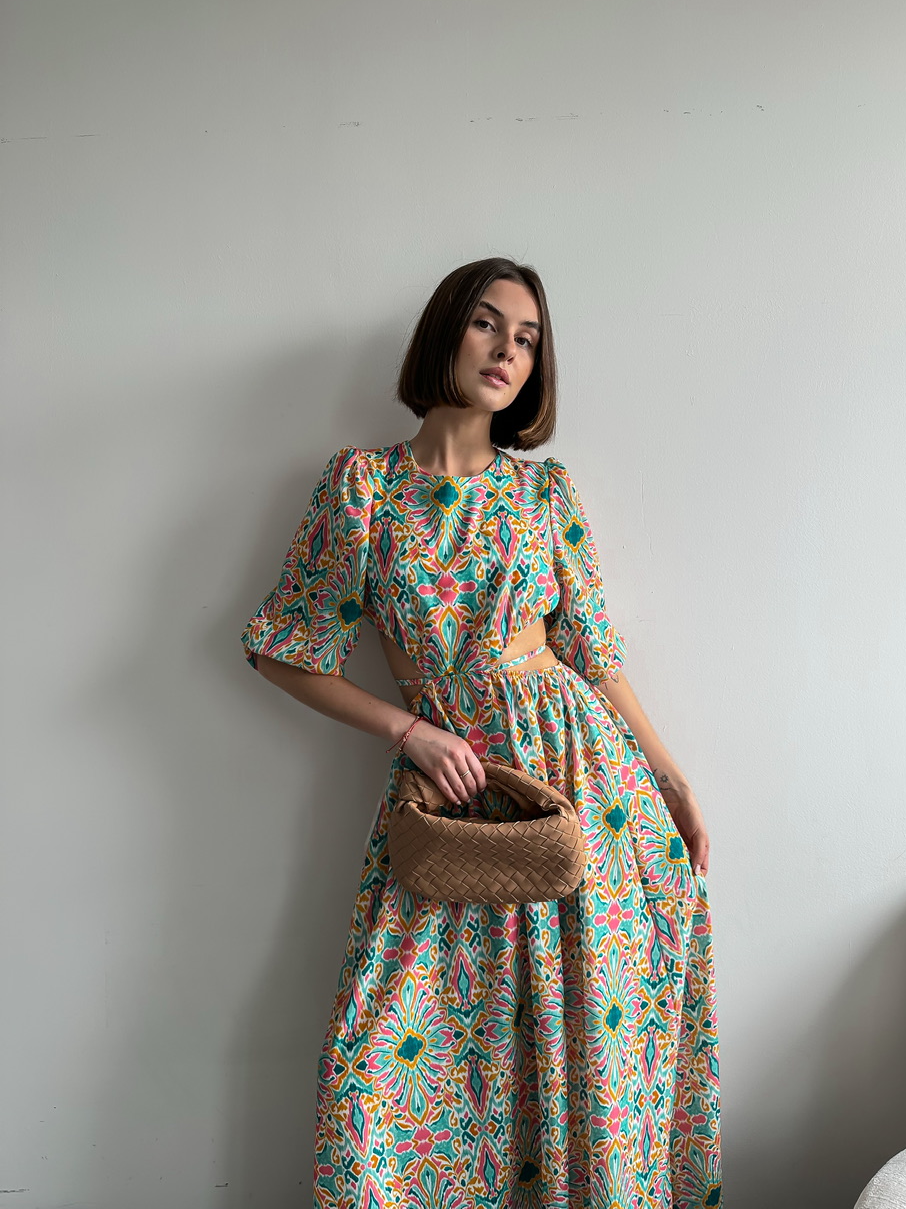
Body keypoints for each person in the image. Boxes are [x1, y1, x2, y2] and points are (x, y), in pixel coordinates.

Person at [240, 257, 722, 1208]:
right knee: (385, 1069)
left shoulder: (545, 494)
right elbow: (282, 649)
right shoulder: (361, 487)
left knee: (584, 1051)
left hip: (578, 788)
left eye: (528, 339)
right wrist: (407, 731)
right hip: (451, 796)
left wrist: (671, 780)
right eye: (488, 324)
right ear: (445, 333)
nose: (507, 351)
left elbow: (594, 655)